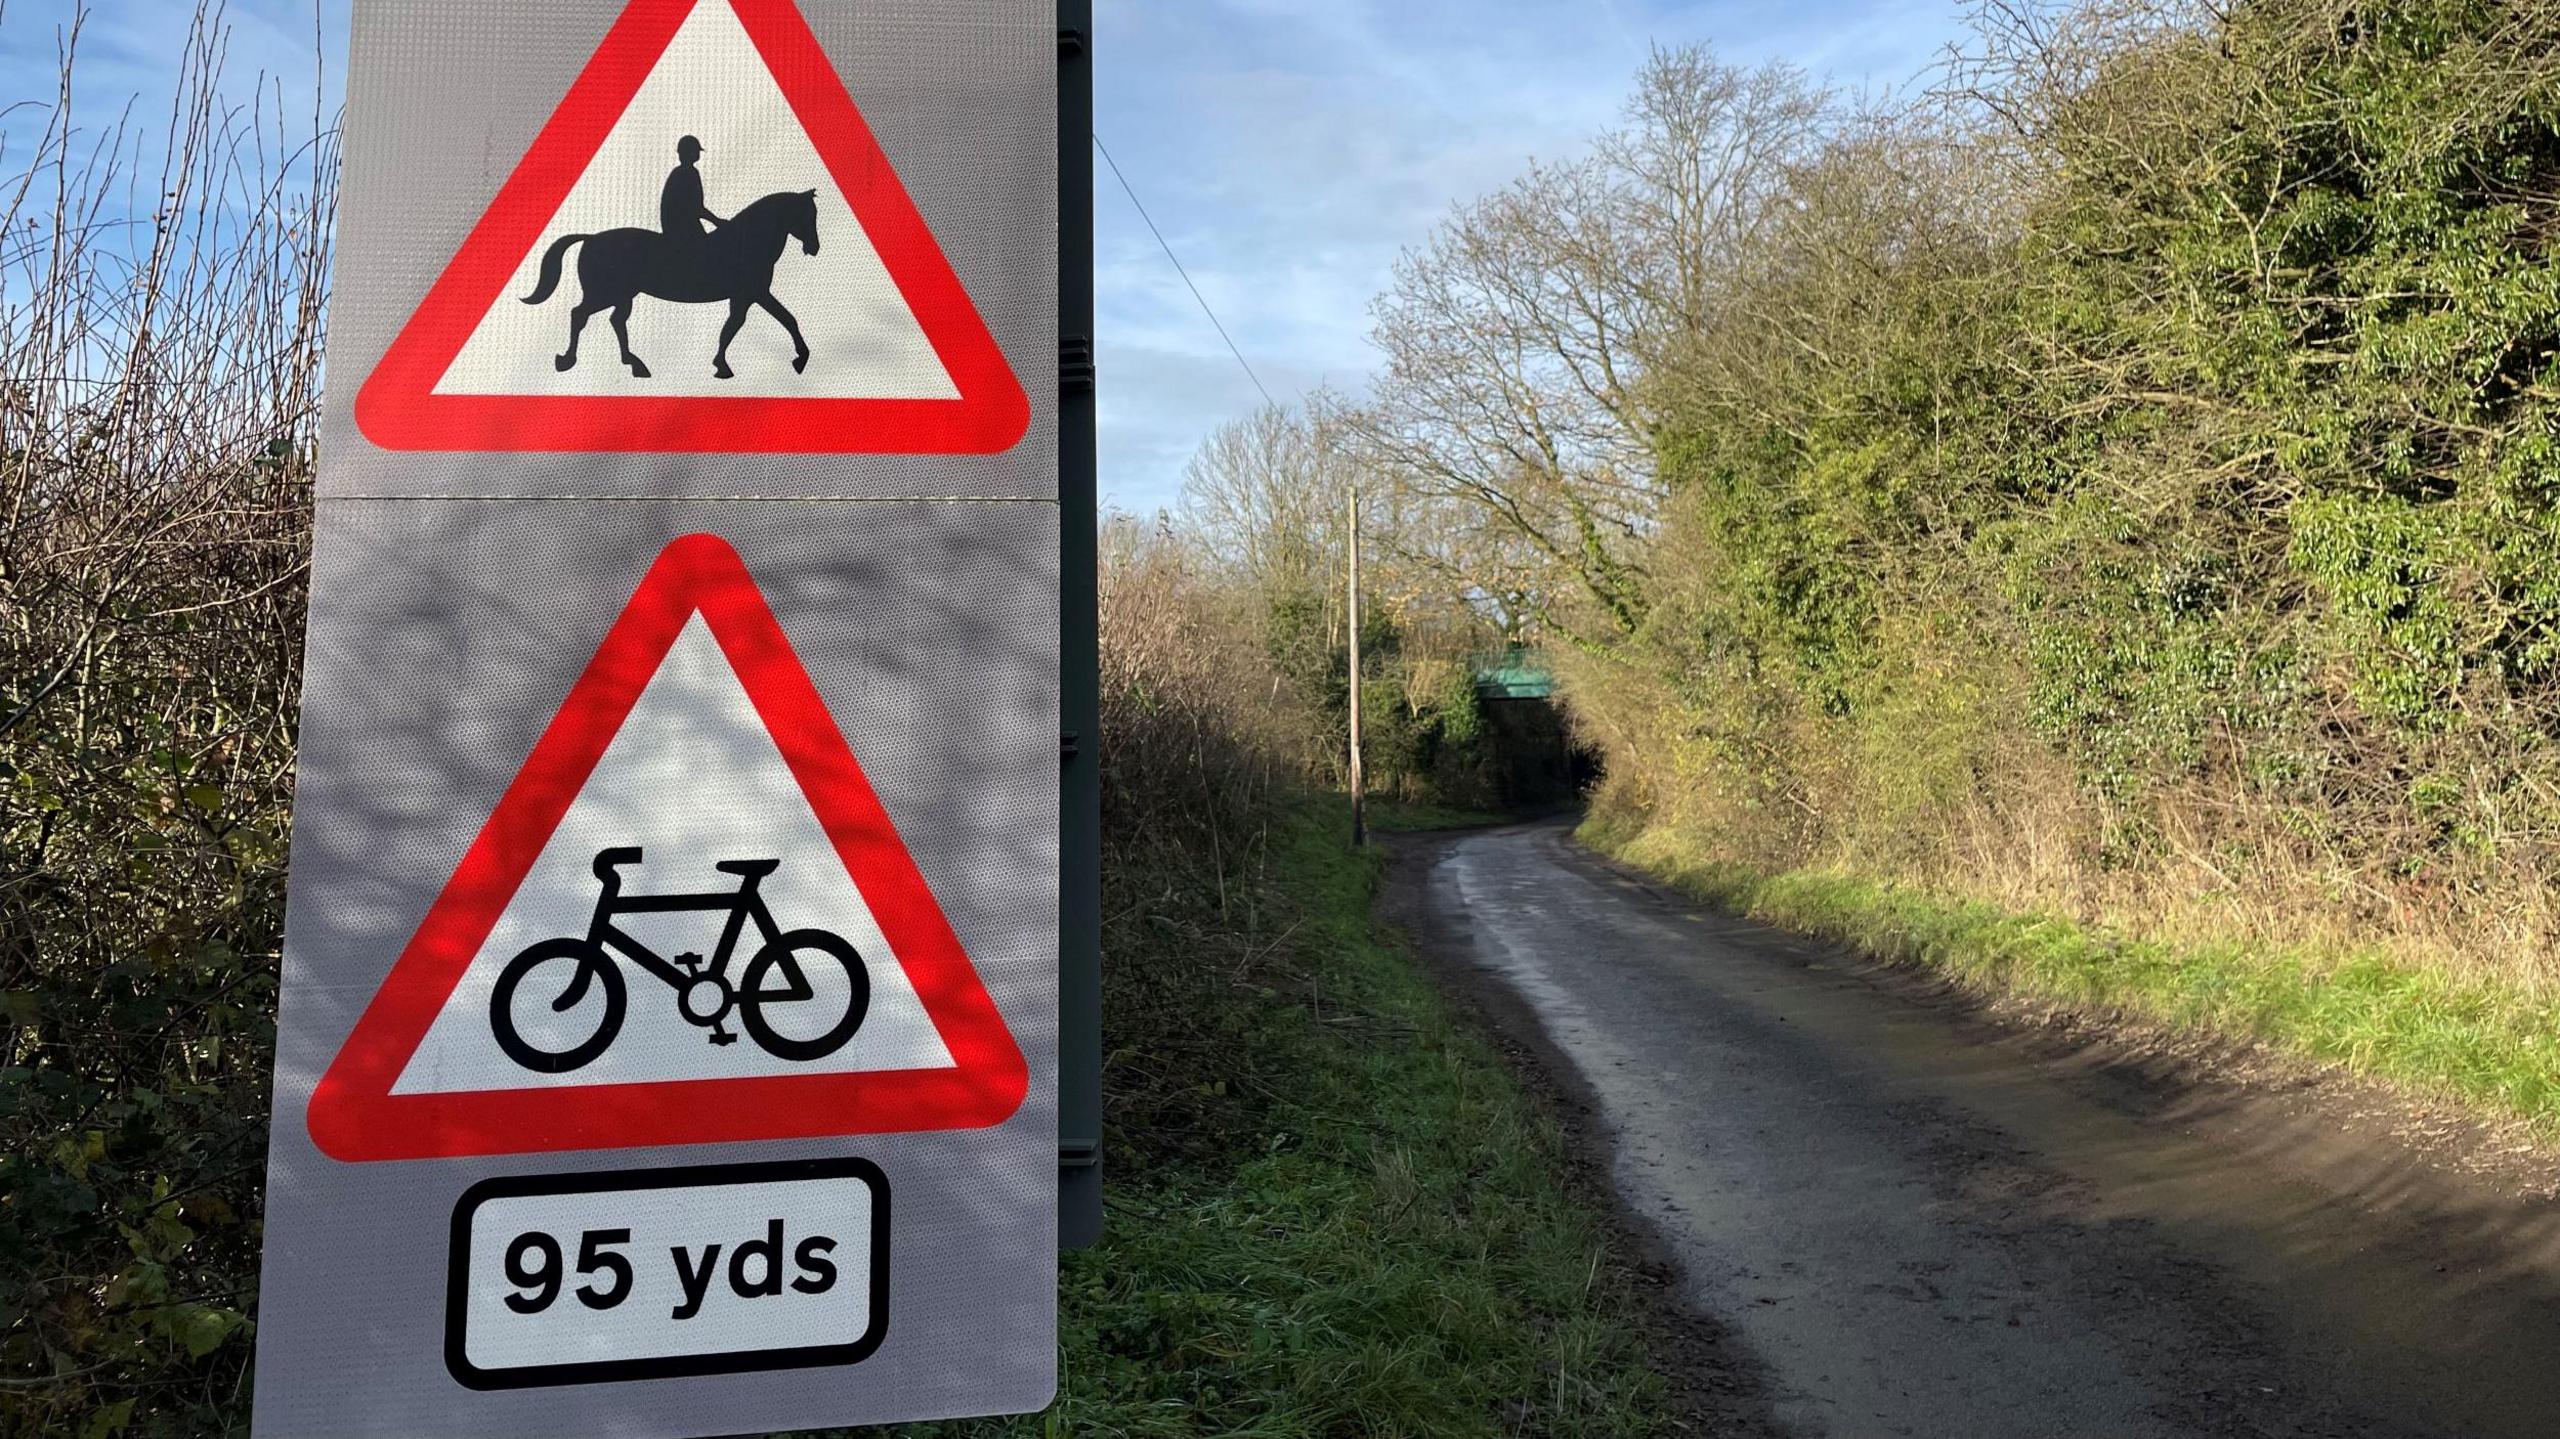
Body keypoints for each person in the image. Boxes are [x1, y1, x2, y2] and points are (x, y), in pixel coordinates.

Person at [659, 135, 725, 258]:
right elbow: (697, 208)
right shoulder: (689, 173)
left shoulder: (680, 172)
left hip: (675, 225)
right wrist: (717, 221)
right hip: (683, 227)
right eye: (695, 151)